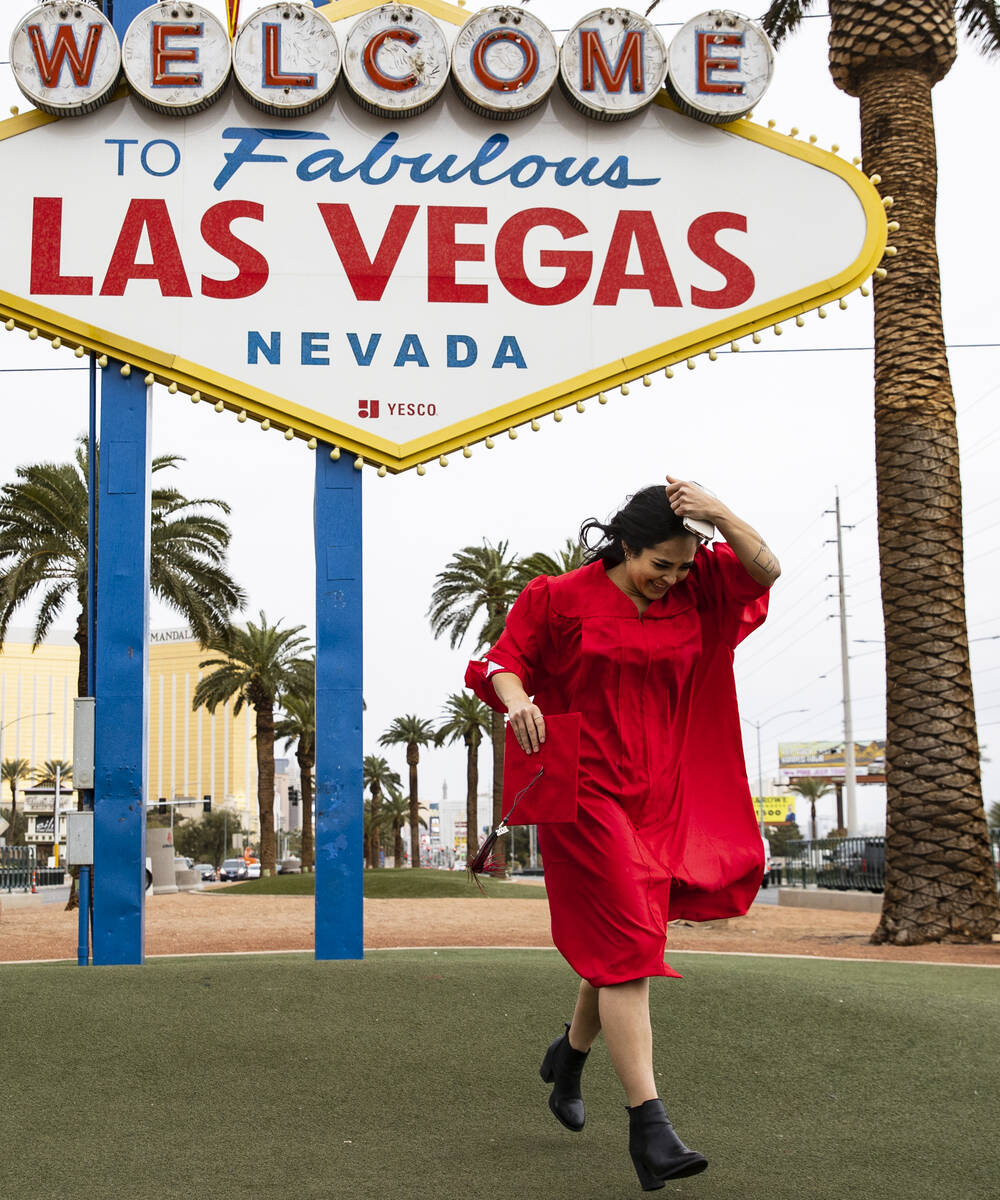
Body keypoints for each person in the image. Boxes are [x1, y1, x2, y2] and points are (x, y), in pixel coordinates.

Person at [465, 476, 780, 1191]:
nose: (670, 580)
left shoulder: (699, 589)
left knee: (625, 941)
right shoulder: (559, 597)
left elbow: (766, 571)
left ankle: (569, 1058)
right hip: (583, 792)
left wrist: (721, 514)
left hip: (660, 793)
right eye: (657, 565)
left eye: (680, 566)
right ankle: (651, 1127)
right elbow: (498, 663)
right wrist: (516, 703)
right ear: (624, 545)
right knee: (633, 950)